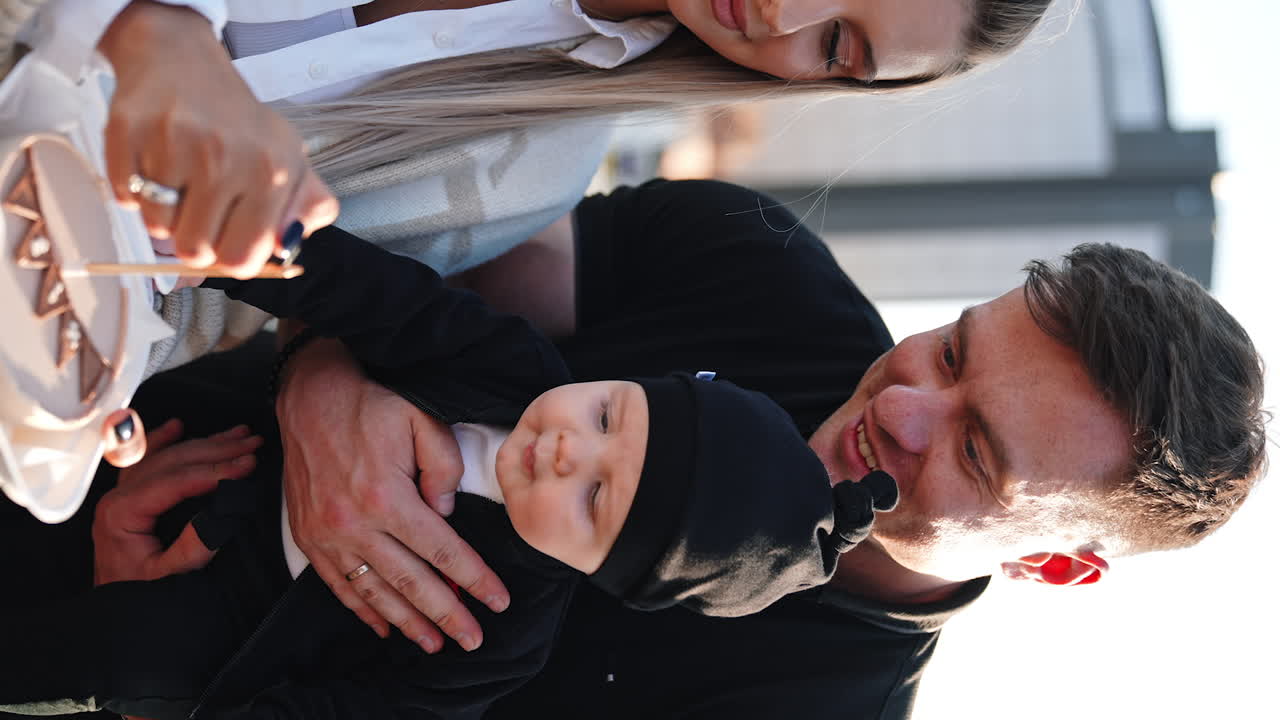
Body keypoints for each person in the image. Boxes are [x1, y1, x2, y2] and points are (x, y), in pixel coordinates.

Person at [232, 178, 1264, 718]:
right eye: (950, 352)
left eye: (978, 452)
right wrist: (319, 380)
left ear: (1050, 562)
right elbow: (404, 264)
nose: (905, 405)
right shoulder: (749, 262)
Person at [0, 224, 897, 719]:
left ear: (606, 576)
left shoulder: (498, 630)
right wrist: (232, 246)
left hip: (224, 622)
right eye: (606, 416)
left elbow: (371, 712)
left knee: (110, 653)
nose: (565, 449)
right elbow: (372, 295)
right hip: (213, 447)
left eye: (593, 499)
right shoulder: (511, 366)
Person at [17, 0, 1054, 375]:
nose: (781, 12)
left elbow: (180, 323)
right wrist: (152, 26)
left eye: (836, 45)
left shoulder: (532, 177)